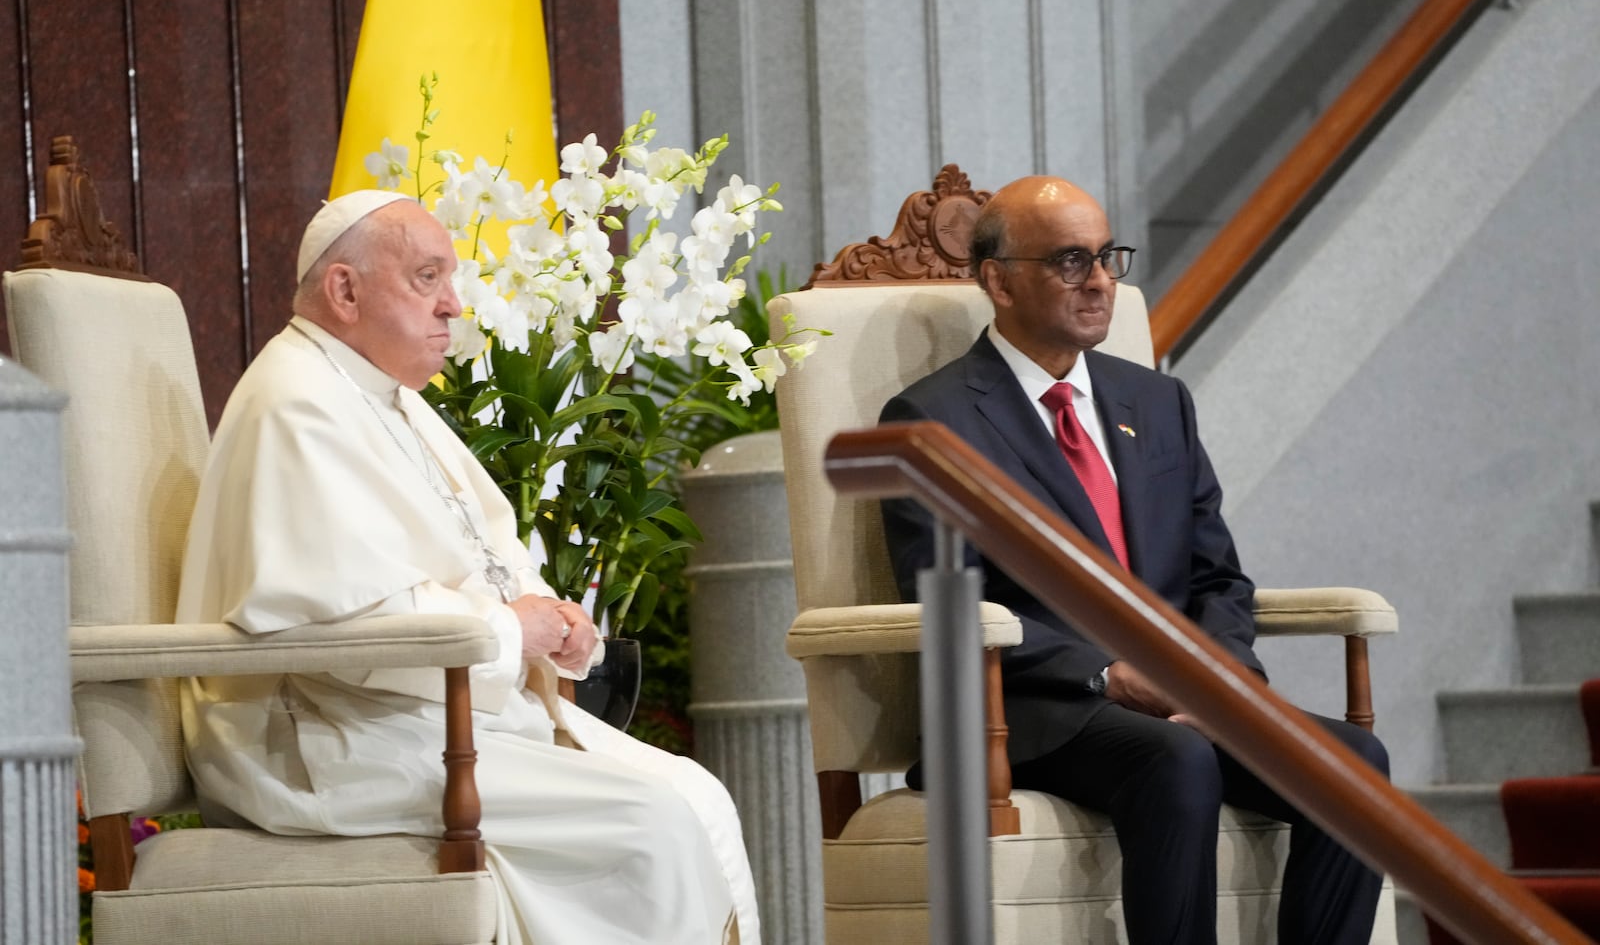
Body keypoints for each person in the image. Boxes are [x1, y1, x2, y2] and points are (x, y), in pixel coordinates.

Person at [175, 190, 759, 945]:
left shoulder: (384, 396)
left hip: (415, 713)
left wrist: (552, 619)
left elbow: (488, 548)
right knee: (653, 821)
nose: (454, 305)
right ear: (344, 290)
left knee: (694, 792)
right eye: (427, 277)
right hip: (323, 737)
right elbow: (346, 622)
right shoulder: (296, 403)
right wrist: (511, 632)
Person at [879, 175, 1388, 945]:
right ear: (997, 280)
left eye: (1107, 256)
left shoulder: (1157, 402)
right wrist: (1107, 674)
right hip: (1031, 708)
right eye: (1070, 261)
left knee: (1354, 759)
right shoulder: (932, 419)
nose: (1101, 281)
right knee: (1177, 757)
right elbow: (941, 602)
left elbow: (1218, 576)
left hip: (1179, 698)